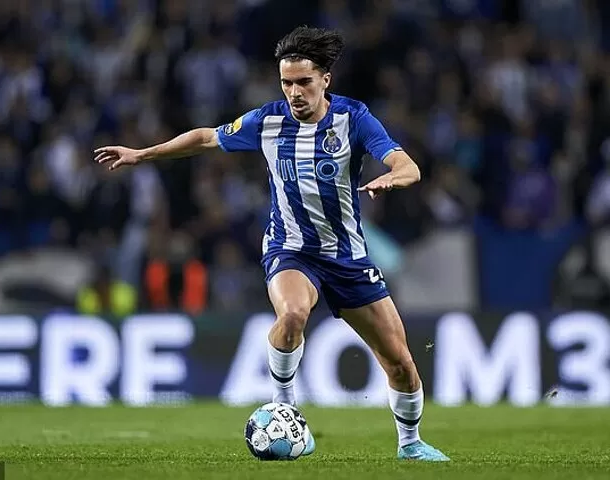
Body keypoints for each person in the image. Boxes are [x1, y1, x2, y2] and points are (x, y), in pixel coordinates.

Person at [94, 26, 450, 462]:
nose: (294, 92)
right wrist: (143, 154)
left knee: (400, 362)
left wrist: (394, 177)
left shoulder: (354, 119)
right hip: (291, 249)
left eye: (303, 82)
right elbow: (206, 137)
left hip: (348, 257)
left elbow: (407, 165)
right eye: (286, 83)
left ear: (325, 80)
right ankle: (285, 406)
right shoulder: (267, 121)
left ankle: (410, 444)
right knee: (293, 313)